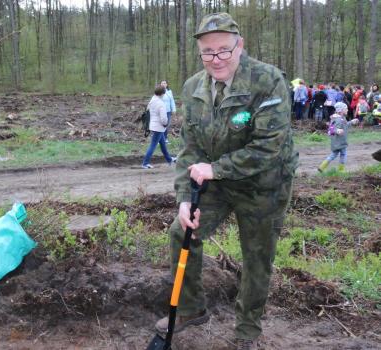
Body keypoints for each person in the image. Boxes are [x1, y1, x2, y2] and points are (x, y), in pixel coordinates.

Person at [155, 13, 298, 350]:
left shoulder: (268, 81)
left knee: (257, 255)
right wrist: (184, 199)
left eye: (223, 50)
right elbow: (190, 150)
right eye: (208, 52)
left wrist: (215, 170)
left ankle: (247, 329)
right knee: (182, 231)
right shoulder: (193, 88)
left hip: (265, 183)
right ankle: (190, 308)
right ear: (200, 52)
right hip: (216, 179)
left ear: (240, 46)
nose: (216, 59)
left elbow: (268, 148)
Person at [317, 102, 359, 172]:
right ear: (341, 110)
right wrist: (338, 131)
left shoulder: (340, 118)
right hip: (340, 141)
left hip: (336, 141)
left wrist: (351, 122)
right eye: (346, 109)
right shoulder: (339, 119)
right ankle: (341, 170)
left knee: (333, 155)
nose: (347, 110)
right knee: (343, 154)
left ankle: (322, 167)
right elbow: (332, 128)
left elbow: (344, 125)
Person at [142, 85, 176, 169]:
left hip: (153, 125)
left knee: (163, 144)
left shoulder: (152, 100)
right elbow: (164, 119)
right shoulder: (161, 104)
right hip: (159, 127)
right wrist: (166, 124)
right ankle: (145, 163)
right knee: (153, 145)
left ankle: (169, 160)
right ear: (162, 94)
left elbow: (148, 110)